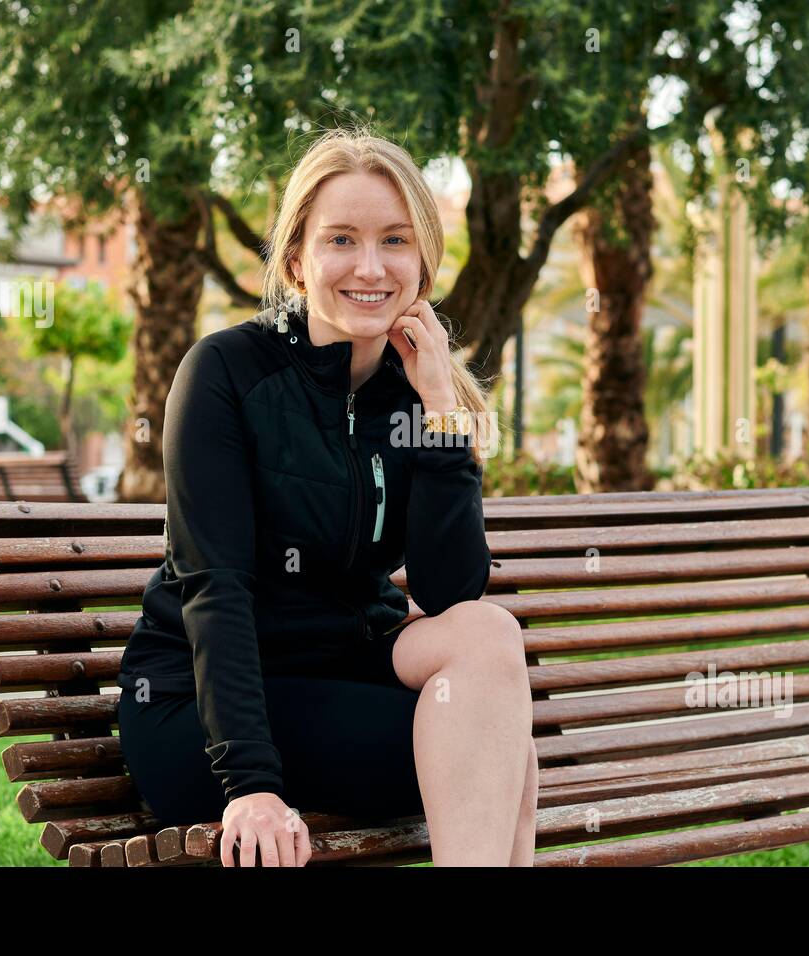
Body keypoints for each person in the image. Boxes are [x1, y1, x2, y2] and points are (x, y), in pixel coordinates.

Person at [116, 126, 538, 867]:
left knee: (490, 637)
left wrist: (442, 409)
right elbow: (216, 589)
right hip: (206, 717)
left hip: (338, 677)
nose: (370, 267)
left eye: (395, 241)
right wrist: (248, 784)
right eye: (341, 240)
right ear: (295, 261)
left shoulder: (413, 395)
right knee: (499, 748)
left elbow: (449, 593)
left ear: (424, 263)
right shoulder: (226, 373)